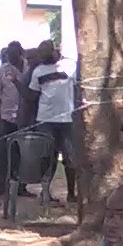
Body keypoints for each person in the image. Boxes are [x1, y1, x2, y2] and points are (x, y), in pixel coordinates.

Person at [27, 40, 77, 202]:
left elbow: (77, 87)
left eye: (46, 54)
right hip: (45, 119)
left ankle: (71, 193)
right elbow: (33, 95)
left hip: (66, 118)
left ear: (55, 52)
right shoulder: (38, 71)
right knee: (48, 156)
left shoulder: (69, 67)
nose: (44, 58)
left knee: (70, 158)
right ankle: (46, 192)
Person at [0, 41, 27, 200]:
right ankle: (1, 188)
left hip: (25, 118)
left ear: (20, 52)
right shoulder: (2, 71)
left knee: (22, 154)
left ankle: (21, 187)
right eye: (9, 54)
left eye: (14, 53)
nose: (11, 57)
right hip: (6, 117)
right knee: (4, 154)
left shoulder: (29, 68)